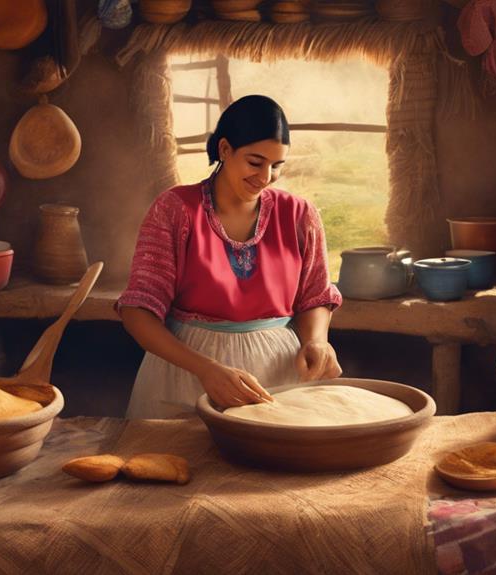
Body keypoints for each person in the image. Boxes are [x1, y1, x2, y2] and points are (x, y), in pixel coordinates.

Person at [116, 95, 343, 419]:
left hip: (278, 380)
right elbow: (138, 311)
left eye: (277, 165)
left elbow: (315, 297)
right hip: (184, 377)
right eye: (255, 162)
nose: (265, 177)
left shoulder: (298, 214)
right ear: (224, 149)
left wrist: (317, 341)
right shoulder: (175, 209)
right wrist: (205, 369)